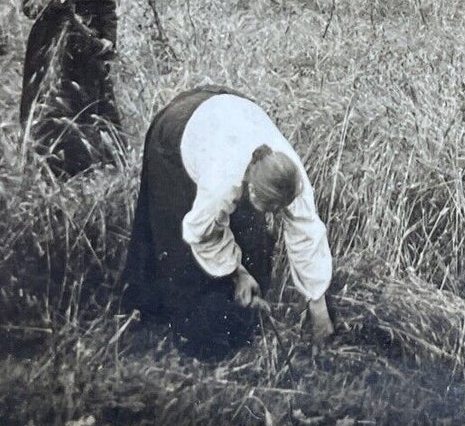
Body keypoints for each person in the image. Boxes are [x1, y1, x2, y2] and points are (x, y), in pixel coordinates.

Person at [121, 88, 335, 361]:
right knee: (177, 249)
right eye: (271, 208)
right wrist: (237, 272)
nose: (278, 214)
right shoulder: (222, 183)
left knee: (252, 237)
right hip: (179, 130)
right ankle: (158, 325)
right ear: (252, 191)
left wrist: (318, 307)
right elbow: (199, 232)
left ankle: (237, 317)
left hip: (229, 112)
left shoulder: (289, 174)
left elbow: (306, 233)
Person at [19, 0, 122, 176]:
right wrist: (56, 4)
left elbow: (107, 5)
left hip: (89, 49)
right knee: (53, 103)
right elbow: (29, 7)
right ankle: (51, 165)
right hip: (51, 48)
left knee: (91, 104)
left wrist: (108, 38)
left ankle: (94, 164)